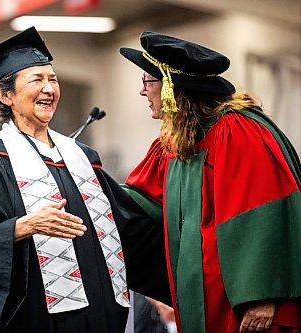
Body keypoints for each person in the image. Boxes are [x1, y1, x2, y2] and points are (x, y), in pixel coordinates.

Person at [0, 27, 170, 333]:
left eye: (53, 79)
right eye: (36, 80)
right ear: (4, 94)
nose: (49, 88)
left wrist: (165, 283)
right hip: (38, 317)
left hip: (103, 309)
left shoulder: (83, 157)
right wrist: (24, 225)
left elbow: (130, 228)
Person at [120, 31, 300, 333]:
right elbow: (137, 202)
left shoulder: (237, 131)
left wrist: (264, 295)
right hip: (199, 296)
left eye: (147, 82)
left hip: (239, 304)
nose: (142, 92)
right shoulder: (175, 143)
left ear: (170, 89)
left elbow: (264, 213)